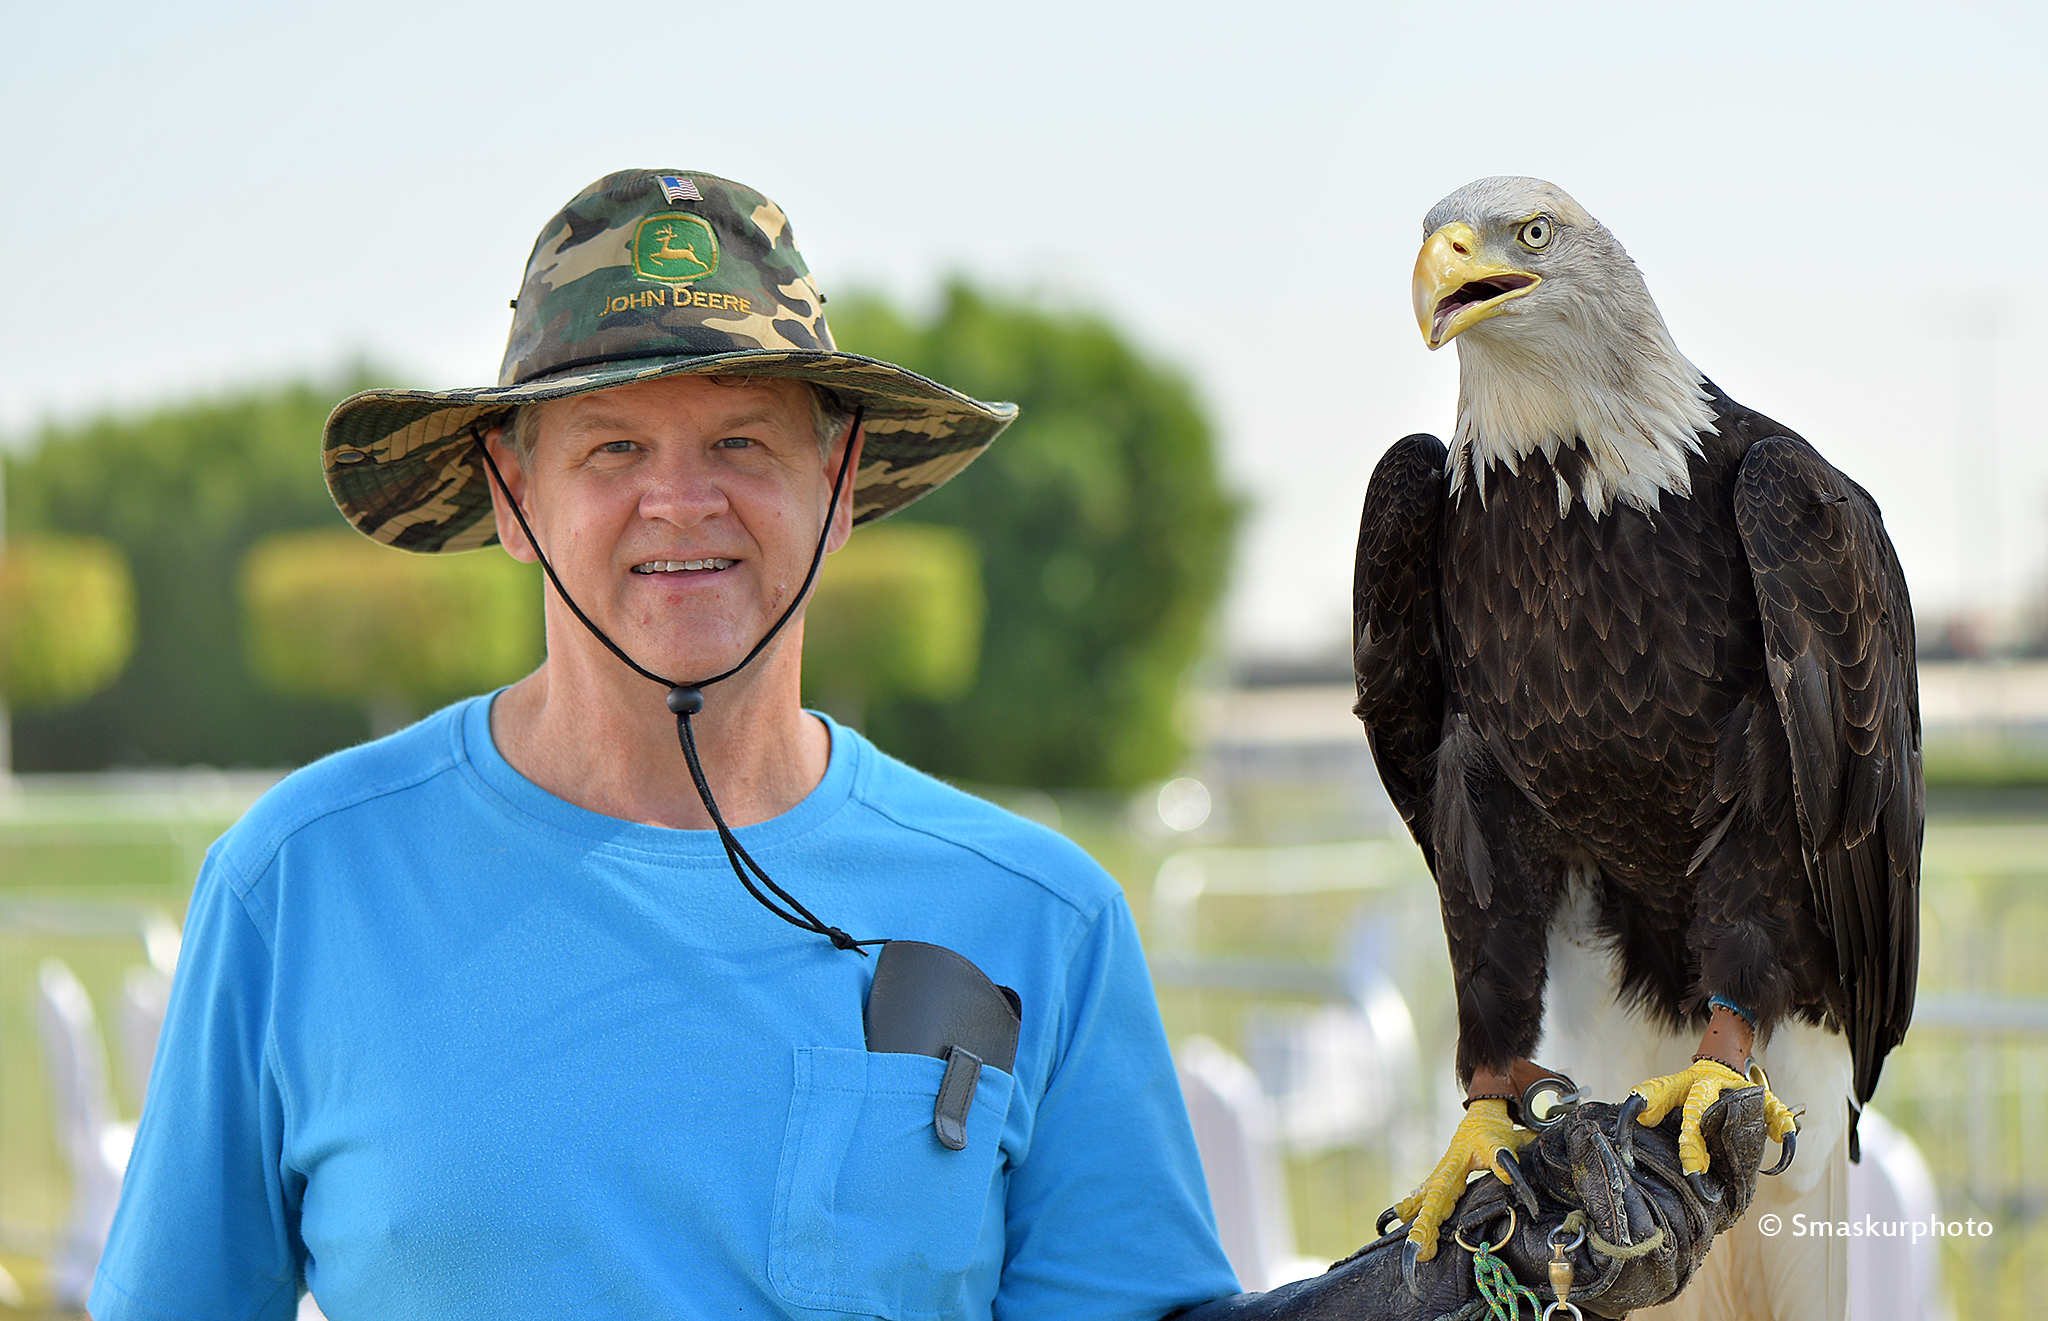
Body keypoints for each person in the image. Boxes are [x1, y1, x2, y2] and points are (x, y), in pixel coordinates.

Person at [89, 170, 1241, 1321]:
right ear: (511, 494)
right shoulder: (298, 884)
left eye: (741, 440)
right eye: (613, 448)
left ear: (838, 487)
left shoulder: (1041, 920)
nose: (681, 501)